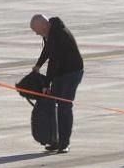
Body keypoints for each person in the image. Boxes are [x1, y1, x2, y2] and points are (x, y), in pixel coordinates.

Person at [30, 14, 84, 154]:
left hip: (71, 73)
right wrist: (38, 65)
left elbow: (54, 63)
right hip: (61, 73)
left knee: (64, 106)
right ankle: (55, 140)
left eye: (37, 31)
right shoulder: (51, 31)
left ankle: (64, 143)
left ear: (43, 25)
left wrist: (47, 83)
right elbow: (47, 49)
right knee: (53, 105)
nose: (36, 34)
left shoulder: (59, 34)